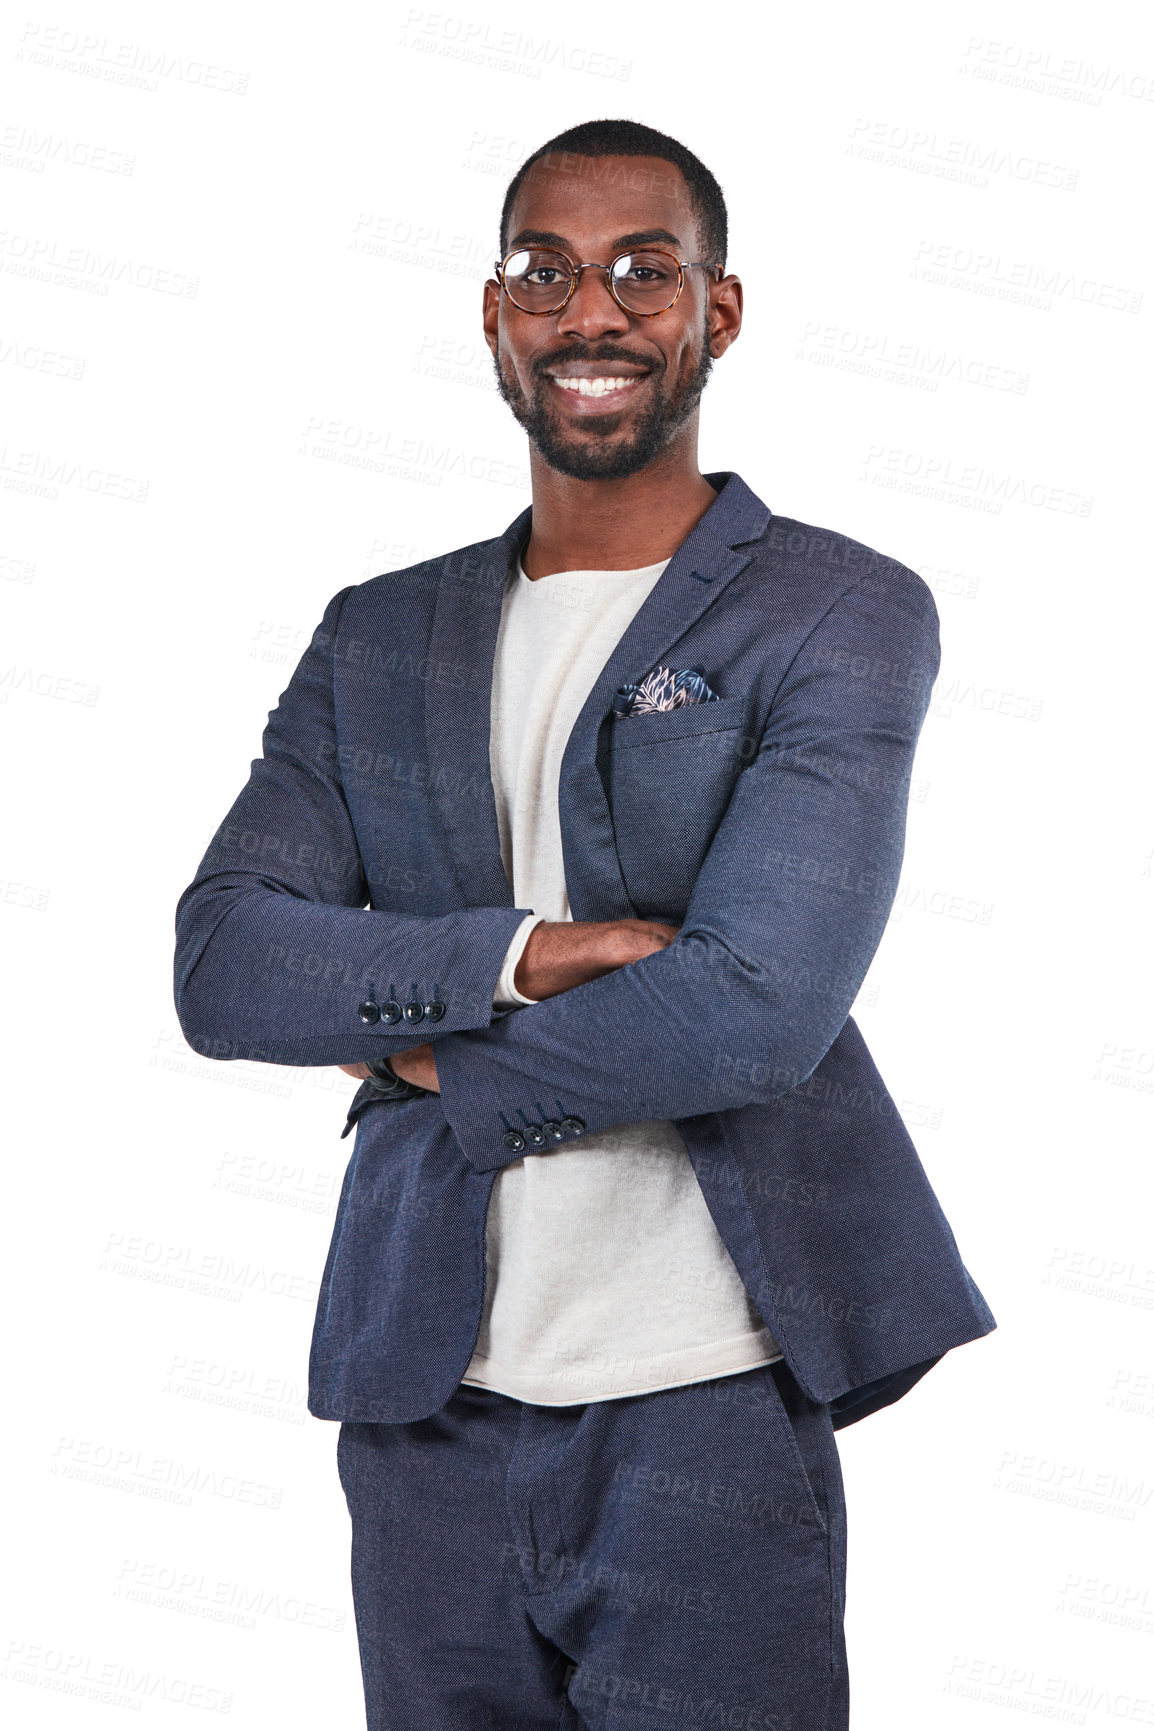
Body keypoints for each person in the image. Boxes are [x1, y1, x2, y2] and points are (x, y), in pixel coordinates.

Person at [174, 118, 996, 1731]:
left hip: (704, 1410)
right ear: (496, 317)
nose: (591, 313)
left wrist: (422, 1067)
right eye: (542, 273)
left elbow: (757, 1007)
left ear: (718, 312)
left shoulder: (834, 608)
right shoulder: (378, 637)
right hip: (427, 1411)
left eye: (643, 270)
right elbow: (223, 961)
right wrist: (528, 954)